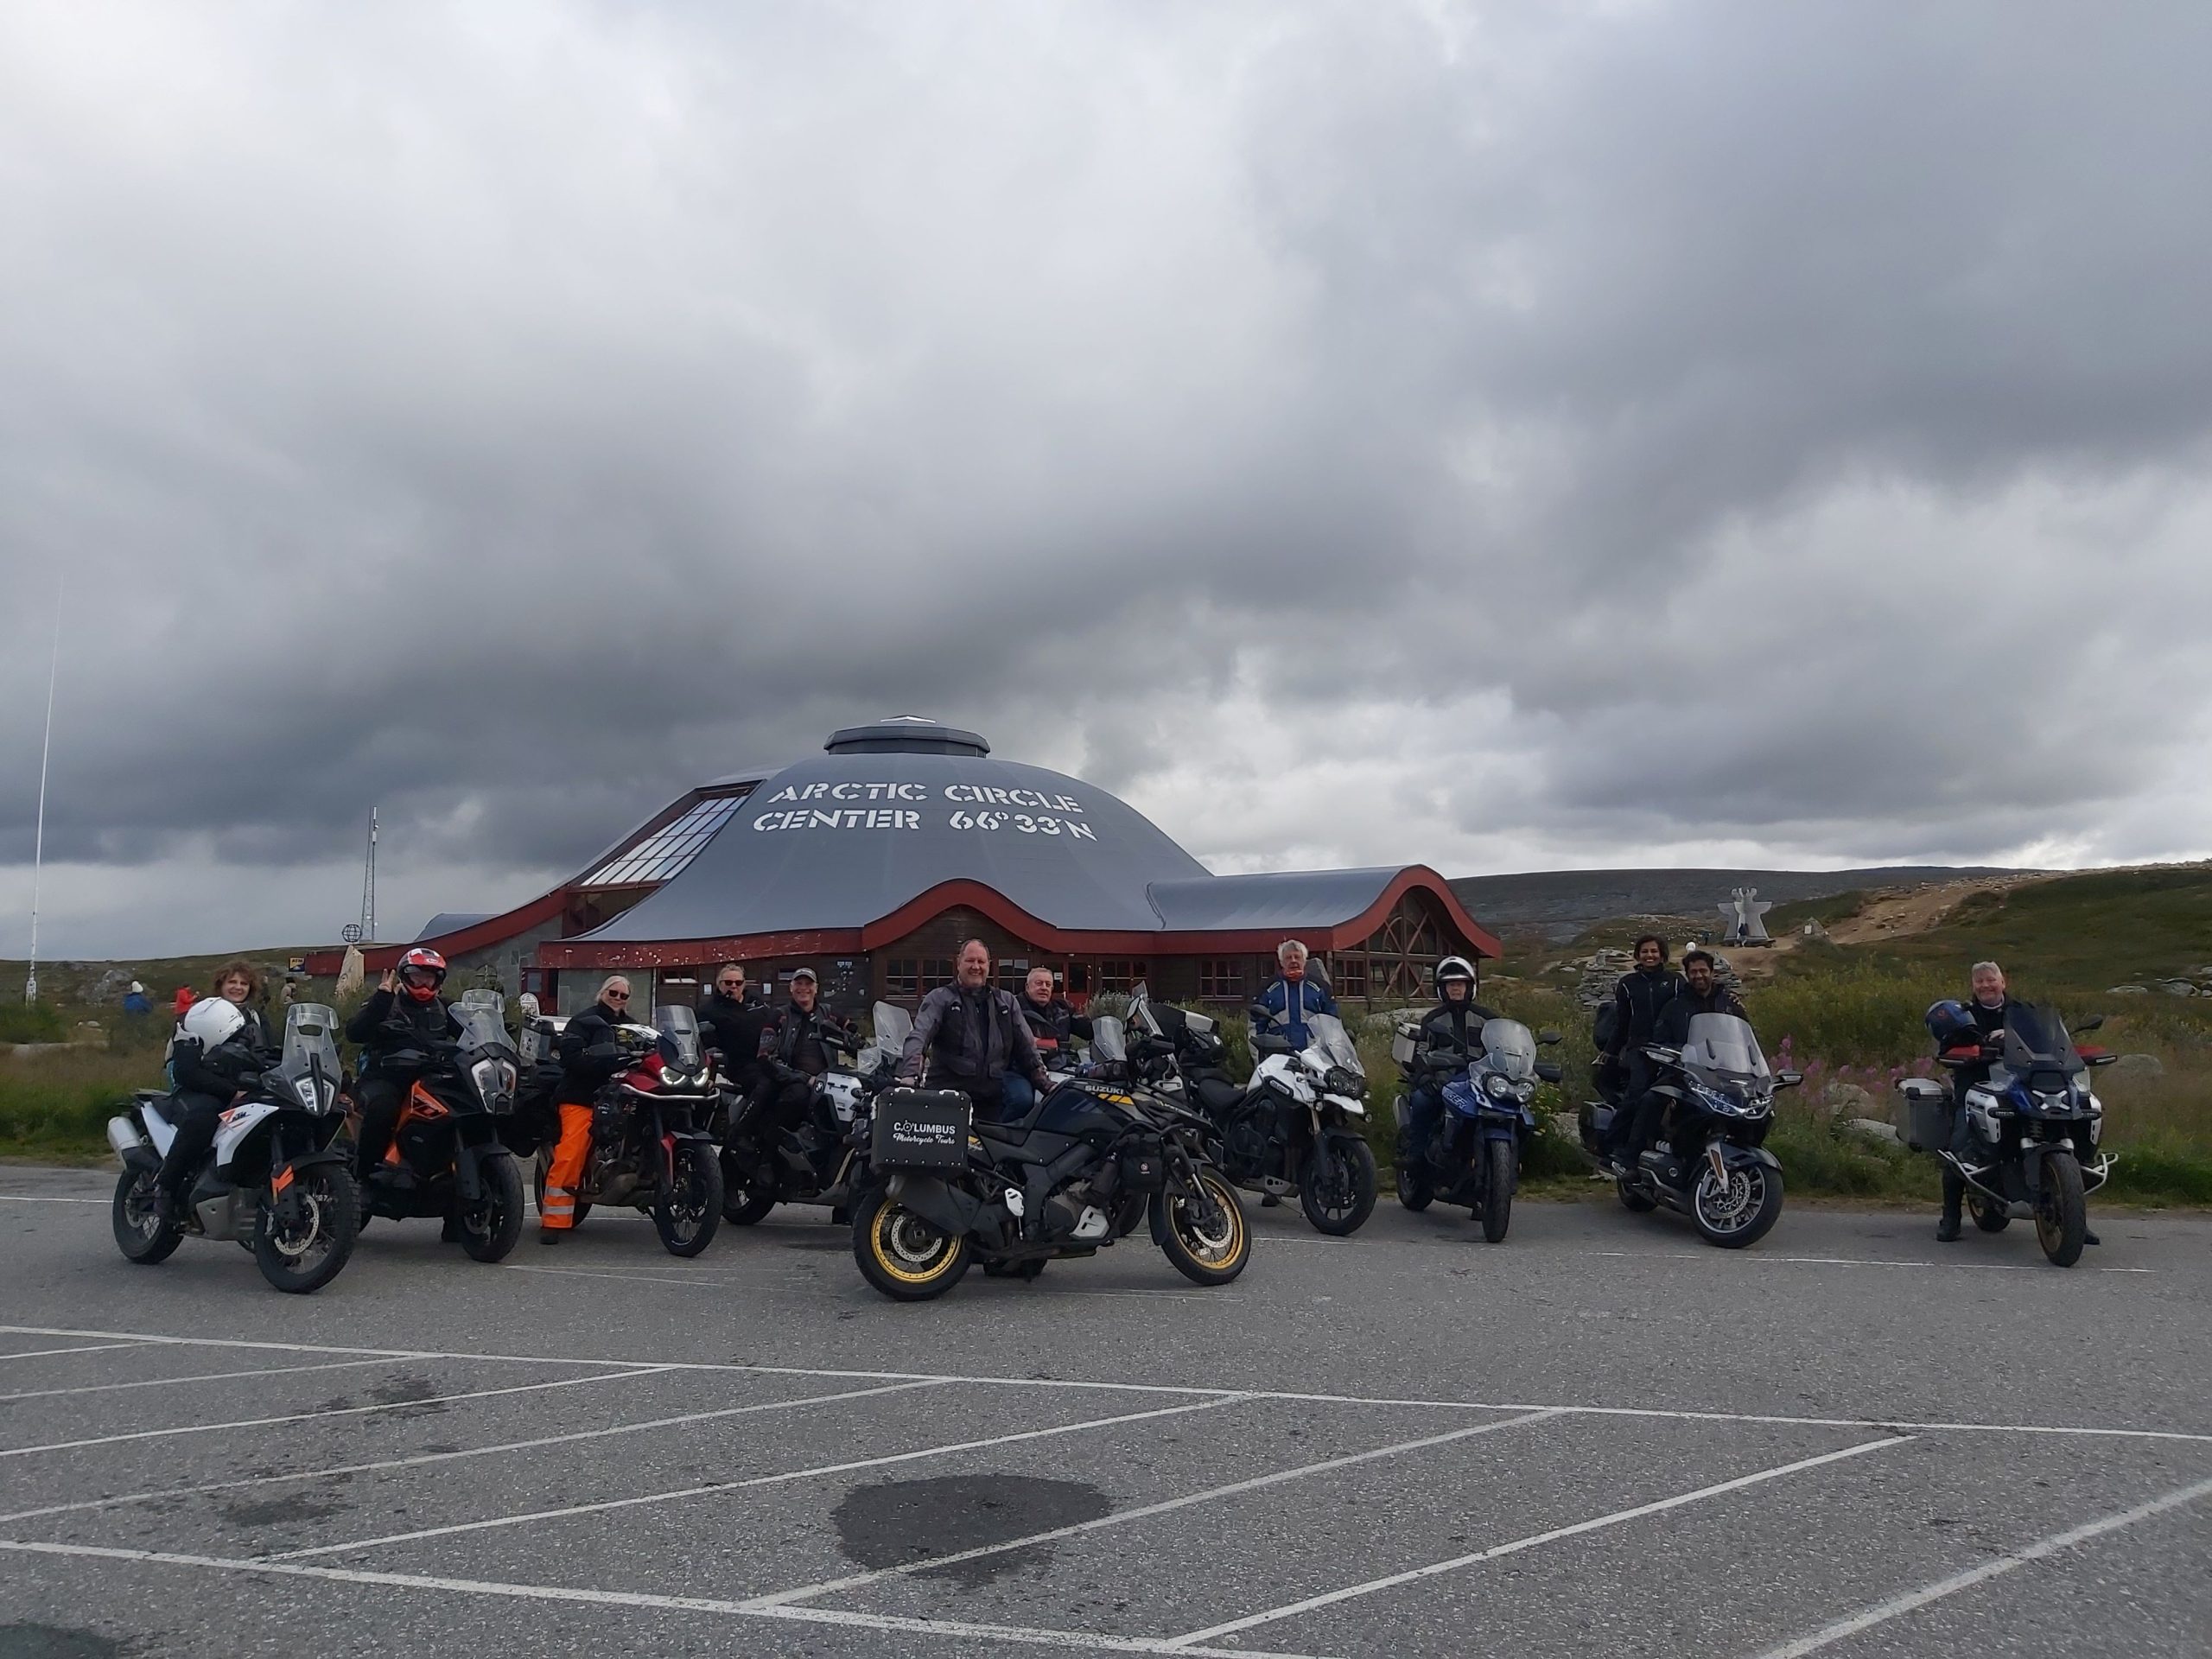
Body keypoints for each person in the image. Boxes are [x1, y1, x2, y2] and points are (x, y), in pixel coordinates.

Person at [1929, 960, 2097, 1247]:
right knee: (1959, 1145)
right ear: (1973, 986)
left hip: (2027, 1082)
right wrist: (1969, 1049)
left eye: (1990, 979)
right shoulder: (1965, 1015)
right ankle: (1951, 1218)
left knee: (2072, 1124)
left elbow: (2052, 1040)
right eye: (1979, 981)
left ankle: (2074, 1219)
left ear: (2002, 982)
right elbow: (1946, 1049)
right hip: (1979, 1082)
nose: (1985, 985)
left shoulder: (2024, 1012)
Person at [154, 961, 273, 1223]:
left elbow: (270, 1054)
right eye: (232, 982)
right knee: (203, 1118)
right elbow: (187, 1069)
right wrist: (231, 1091)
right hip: (198, 1086)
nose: (238, 987)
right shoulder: (199, 1014)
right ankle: (166, 1187)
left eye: (243, 983)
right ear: (221, 984)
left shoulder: (255, 1018)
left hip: (244, 1088)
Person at [1617, 949, 1745, 1169]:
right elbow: (1661, 1038)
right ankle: (1631, 1159)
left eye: (1703, 970)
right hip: (1683, 1071)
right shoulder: (1676, 1006)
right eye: (1693, 972)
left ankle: (1740, 1154)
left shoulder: (1729, 1004)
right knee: (1652, 1099)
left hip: (1724, 1073)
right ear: (1687, 974)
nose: (1698, 976)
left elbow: (1745, 1034)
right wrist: (1678, 1052)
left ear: (1712, 972)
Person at [344, 947, 463, 1180]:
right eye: (417, 977)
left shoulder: (446, 1007)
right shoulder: (386, 1001)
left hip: (431, 1079)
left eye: (429, 978)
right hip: (385, 1077)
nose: (424, 985)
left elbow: (470, 1034)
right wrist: (381, 1000)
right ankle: (364, 1175)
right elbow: (355, 1033)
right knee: (383, 1110)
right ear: (405, 976)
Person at [899, 940, 1052, 1122]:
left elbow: (1027, 1049)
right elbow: (919, 1036)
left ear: (989, 965)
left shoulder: (1006, 1002)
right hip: (947, 1097)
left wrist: (1047, 1086)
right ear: (958, 963)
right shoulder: (941, 998)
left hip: (990, 1100)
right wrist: (910, 1075)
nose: (976, 967)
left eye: (981, 962)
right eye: (970, 961)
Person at [542, 976, 641, 1244]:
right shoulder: (584, 1021)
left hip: (623, 1096)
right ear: (602, 992)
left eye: (623, 995)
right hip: (582, 1096)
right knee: (572, 1150)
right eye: (613, 992)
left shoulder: (634, 1027)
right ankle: (553, 1220)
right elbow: (571, 1057)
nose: (618, 998)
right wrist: (603, 1062)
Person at [1399, 956, 1503, 1169]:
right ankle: (1416, 1155)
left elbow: (1502, 1047)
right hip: (1443, 1080)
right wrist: (1425, 1074)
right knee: (1421, 1101)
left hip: (1479, 1081)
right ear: (1442, 989)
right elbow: (1420, 1051)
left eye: (1460, 984)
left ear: (1470, 987)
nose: (1456, 989)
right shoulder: (1432, 1019)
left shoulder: (1487, 1018)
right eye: (1451, 985)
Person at [1599, 936, 1685, 1159]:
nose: (1650, 955)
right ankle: (1615, 1145)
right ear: (1637, 955)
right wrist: (1609, 1052)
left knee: (1677, 1095)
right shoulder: (1628, 983)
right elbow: (1622, 1021)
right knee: (1637, 1093)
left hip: (1672, 1047)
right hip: (1640, 1048)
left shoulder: (1676, 981)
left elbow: (1692, 1006)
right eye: (1645, 951)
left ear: (1663, 955)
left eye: (1654, 951)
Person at [753, 968, 856, 1150]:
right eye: (798, 984)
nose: (803, 988)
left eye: (808, 984)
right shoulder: (780, 1015)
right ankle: (770, 1152)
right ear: (791, 988)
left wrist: (858, 1045)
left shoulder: (829, 1013)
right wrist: (803, 1078)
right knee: (796, 1098)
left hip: (827, 1079)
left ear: (816, 988)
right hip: (792, 1079)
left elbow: (853, 1032)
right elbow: (764, 1056)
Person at [696, 963, 771, 1096]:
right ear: (720, 984)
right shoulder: (710, 1010)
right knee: (764, 1085)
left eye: (738, 982)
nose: (734, 986)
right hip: (735, 1064)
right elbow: (705, 1043)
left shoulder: (757, 1003)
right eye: (729, 982)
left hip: (765, 1060)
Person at [1253, 940, 1338, 1052]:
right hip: (1278, 1055)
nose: (1293, 961)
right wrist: (1258, 1058)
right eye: (1288, 957)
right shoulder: (1267, 988)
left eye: (1297, 957)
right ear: (1281, 962)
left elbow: (1333, 1024)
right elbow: (1255, 1027)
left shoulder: (1321, 987)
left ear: (1304, 960)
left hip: (1314, 1055)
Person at [1019, 967, 1078, 1058]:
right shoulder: (1014, 1007)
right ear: (1027, 987)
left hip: (1060, 1064)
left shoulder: (1062, 1008)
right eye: (1039, 983)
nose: (1044, 988)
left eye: (1048, 984)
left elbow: (1088, 1030)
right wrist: (1042, 1043)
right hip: (1023, 1066)